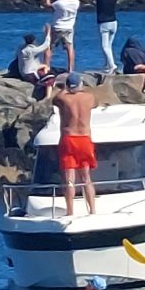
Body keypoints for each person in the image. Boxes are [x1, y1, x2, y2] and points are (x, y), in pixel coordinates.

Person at [52, 73, 99, 215]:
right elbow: (95, 104)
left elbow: (54, 100)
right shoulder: (89, 97)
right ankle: (92, 210)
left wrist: (65, 88)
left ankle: (70, 211)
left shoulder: (63, 98)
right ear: (80, 84)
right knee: (86, 178)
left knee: (69, 180)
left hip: (69, 138)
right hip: (84, 139)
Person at [44, 0, 83, 73]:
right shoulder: (76, 2)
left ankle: (46, 67)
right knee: (70, 48)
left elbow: (47, 4)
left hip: (57, 27)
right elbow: (66, 1)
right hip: (69, 28)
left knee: (49, 47)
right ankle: (70, 69)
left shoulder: (59, 3)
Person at [93, 0, 122, 71]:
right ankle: (107, 64)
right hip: (114, 22)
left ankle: (112, 65)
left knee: (105, 46)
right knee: (109, 45)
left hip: (104, 23)